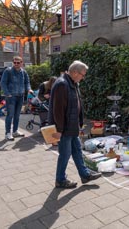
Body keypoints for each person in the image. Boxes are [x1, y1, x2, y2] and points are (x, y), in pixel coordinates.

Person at [48, 60, 101, 189]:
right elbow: (58, 110)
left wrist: (79, 123)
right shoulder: (62, 84)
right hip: (64, 128)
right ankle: (60, 180)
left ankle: (85, 175)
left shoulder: (72, 83)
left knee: (77, 150)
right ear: (75, 72)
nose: (84, 77)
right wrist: (59, 130)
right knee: (65, 154)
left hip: (72, 125)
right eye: (83, 74)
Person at [0, 56, 33, 141]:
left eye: (18, 63)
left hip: (20, 96)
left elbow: (27, 82)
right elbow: (3, 83)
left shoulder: (24, 72)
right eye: (14, 62)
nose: (16, 64)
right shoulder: (8, 71)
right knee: (10, 115)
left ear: (22, 63)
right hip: (11, 97)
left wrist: (29, 89)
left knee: (17, 115)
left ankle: (15, 131)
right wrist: (7, 93)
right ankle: (8, 133)